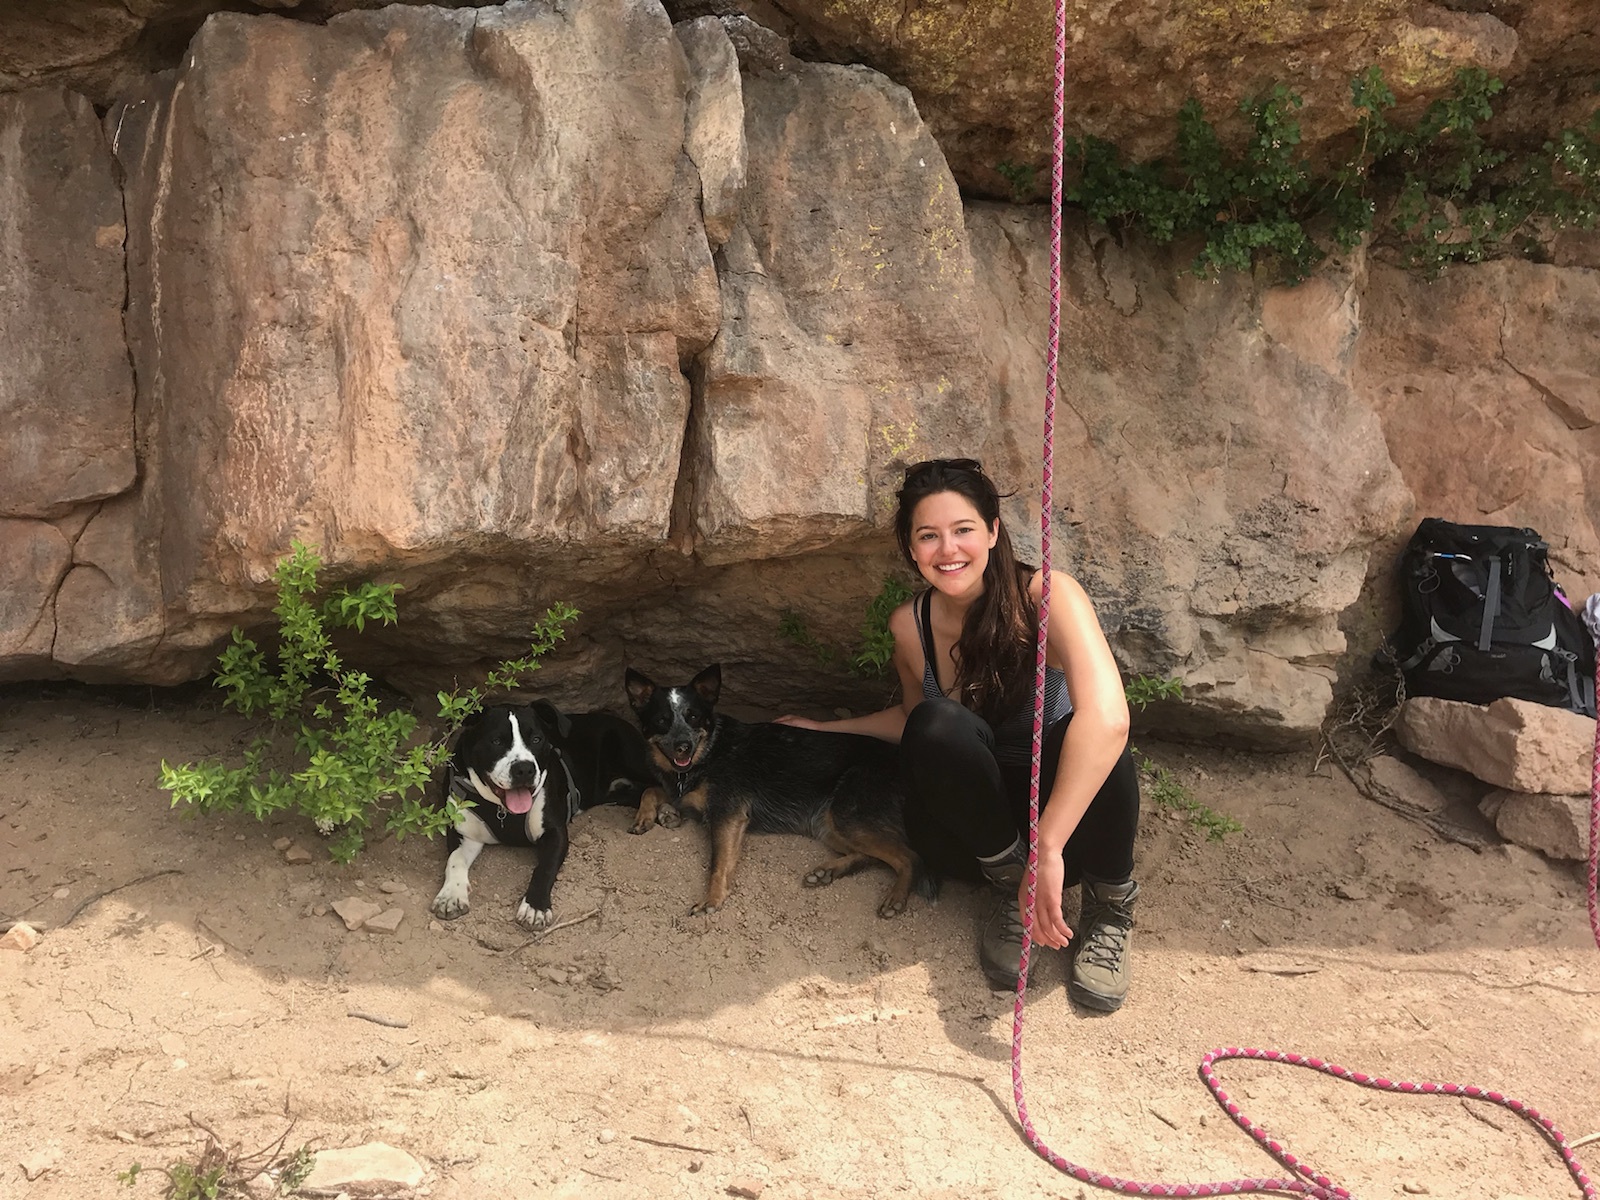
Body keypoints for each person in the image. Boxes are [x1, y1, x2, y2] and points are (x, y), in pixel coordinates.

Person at [779, 458, 1141, 1008]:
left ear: (994, 531)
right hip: (986, 834)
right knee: (936, 720)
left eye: (964, 530)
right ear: (910, 549)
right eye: (929, 536)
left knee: (1099, 743)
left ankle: (1110, 904)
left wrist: (1050, 846)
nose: (948, 550)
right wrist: (826, 728)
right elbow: (913, 724)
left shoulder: (1047, 597)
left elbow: (1110, 718)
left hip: (1061, 823)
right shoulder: (911, 625)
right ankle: (1008, 888)